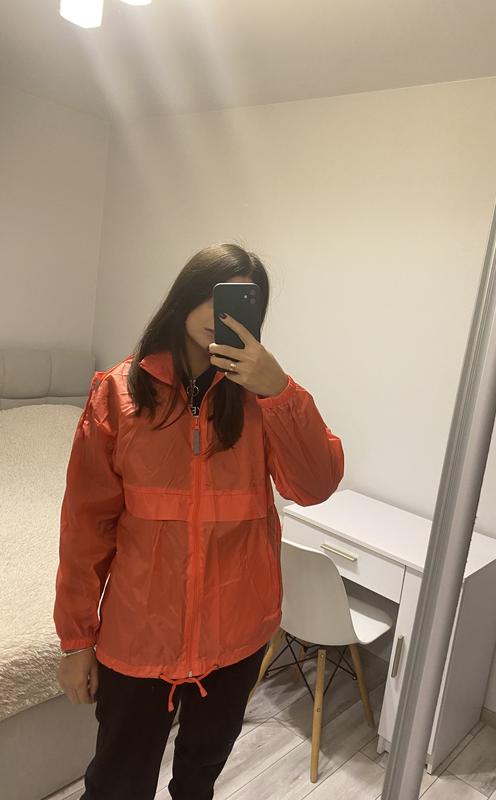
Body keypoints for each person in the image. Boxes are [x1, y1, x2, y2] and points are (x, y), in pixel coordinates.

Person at [53, 242, 344, 800]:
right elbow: (85, 529)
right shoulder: (117, 393)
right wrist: (76, 640)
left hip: (237, 634)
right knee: (116, 784)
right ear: (184, 295)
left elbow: (315, 486)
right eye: (213, 293)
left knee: (199, 780)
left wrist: (279, 390)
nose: (219, 311)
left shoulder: (262, 400)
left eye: (240, 300)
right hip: (139, 635)